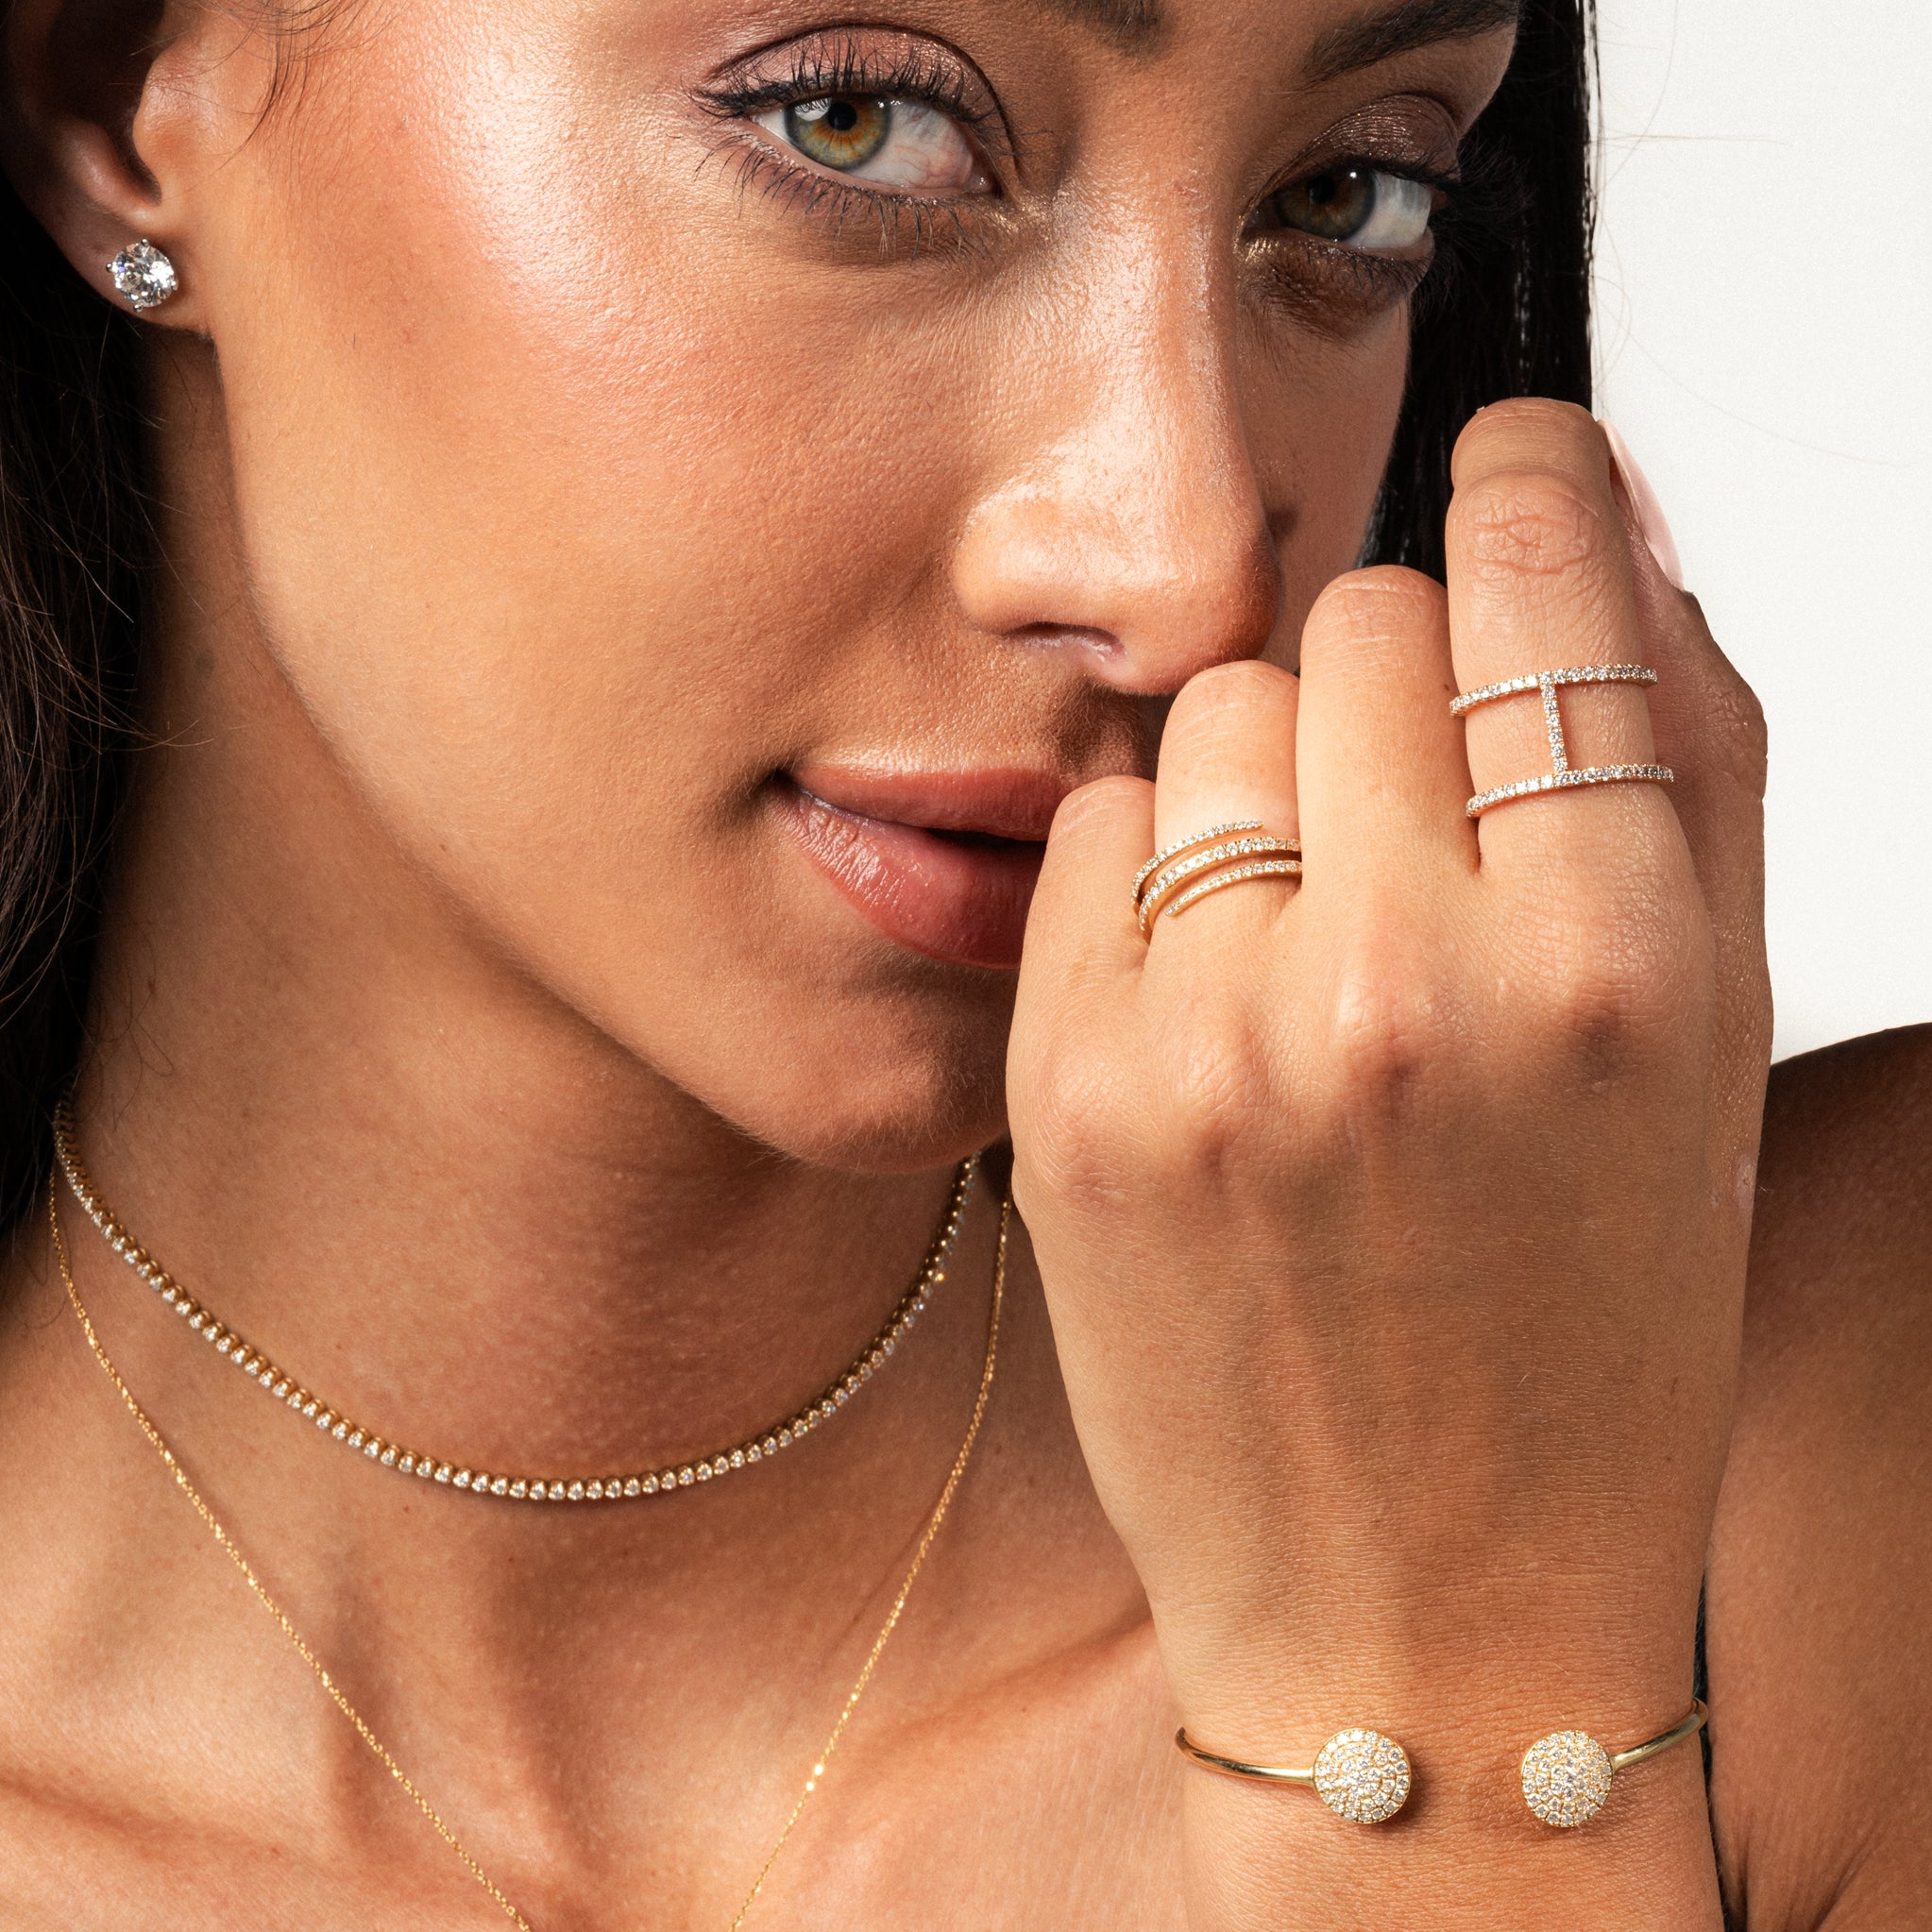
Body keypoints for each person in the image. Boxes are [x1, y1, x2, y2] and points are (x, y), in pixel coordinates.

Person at [0, 0, 1924, 1924]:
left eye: (1348, 193)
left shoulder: (1831, 1492)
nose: (1187, 571)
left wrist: (1452, 1710)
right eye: (855, 124)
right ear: (110, 90)